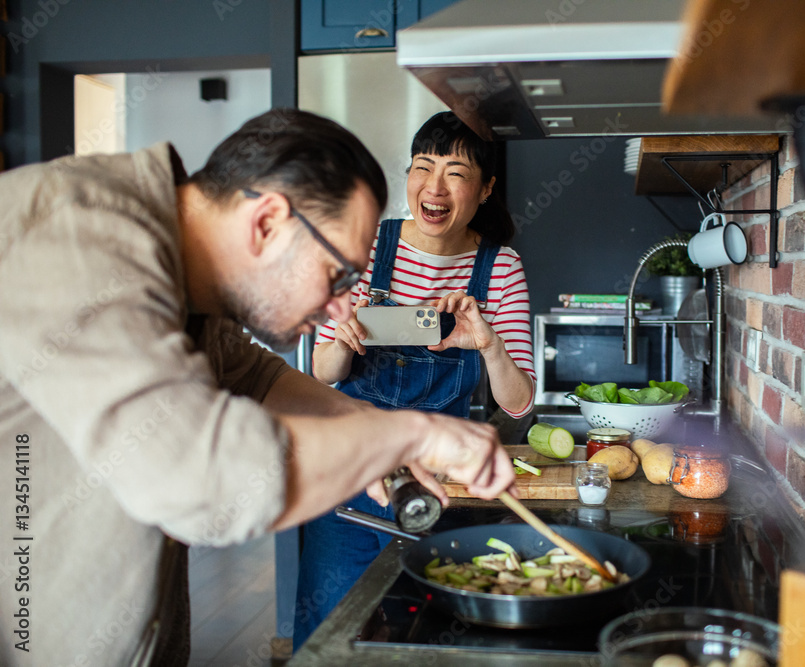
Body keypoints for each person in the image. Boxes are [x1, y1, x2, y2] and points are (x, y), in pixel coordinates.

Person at [0, 108, 516, 667]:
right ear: (267, 222)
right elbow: (196, 480)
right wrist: (411, 435)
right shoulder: (81, 238)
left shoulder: (183, 265)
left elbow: (252, 373)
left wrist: (378, 429)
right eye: (338, 276)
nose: (342, 309)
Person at [294, 111, 535, 648]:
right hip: (350, 480)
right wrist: (341, 340)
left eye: (456, 173)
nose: (435, 186)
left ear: (486, 189)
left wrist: (489, 344)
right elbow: (322, 373)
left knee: (422, 637)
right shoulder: (366, 247)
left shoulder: (500, 268)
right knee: (330, 637)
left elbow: (518, 404)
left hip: (437, 489)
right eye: (424, 167)